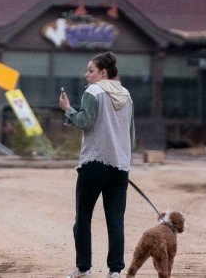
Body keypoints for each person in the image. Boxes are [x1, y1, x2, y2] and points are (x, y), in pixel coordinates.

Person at [59, 51, 135, 278]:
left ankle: (84, 269)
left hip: (94, 163)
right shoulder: (127, 95)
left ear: (103, 73)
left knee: (83, 218)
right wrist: (122, 156)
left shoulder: (93, 91)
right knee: (115, 221)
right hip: (120, 167)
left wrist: (67, 109)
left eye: (91, 71)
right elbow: (131, 135)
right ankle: (115, 271)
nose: (87, 75)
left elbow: (85, 121)